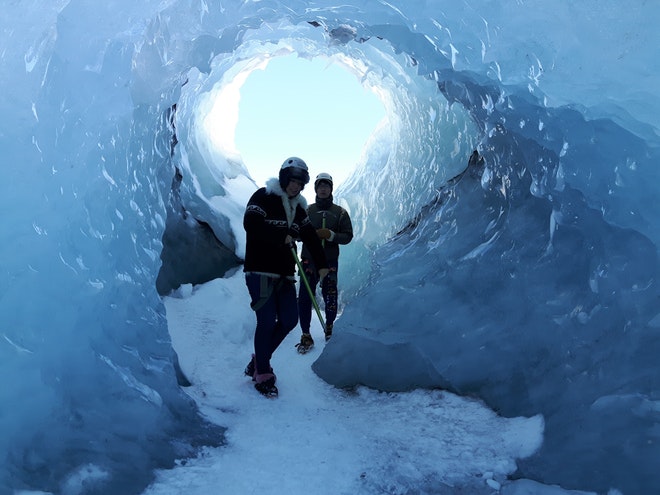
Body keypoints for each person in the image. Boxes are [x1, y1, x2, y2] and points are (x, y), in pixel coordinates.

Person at [242, 157, 329, 397]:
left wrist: (322, 265)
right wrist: (282, 235)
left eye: (300, 183)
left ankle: (259, 359)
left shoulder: (299, 209)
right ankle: (264, 373)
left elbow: (310, 235)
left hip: (285, 274)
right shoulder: (263, 196)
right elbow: (251, 223)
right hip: (259, 270)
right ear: (283, 178)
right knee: (267, 320)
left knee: (290, 320)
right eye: (292, 180)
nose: (295, 186)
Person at [296, 172, 353, 353]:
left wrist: (331, 235)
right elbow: (296, 232)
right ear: (315, 189)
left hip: (329, 261)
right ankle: (306, 333)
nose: (323, 189)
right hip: (309, 260)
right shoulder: (306, 211)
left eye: (326, 186)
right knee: (305, 298)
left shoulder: (340, 213)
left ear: (331, 189)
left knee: (330, 294)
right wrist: (307, 235)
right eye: (320, 186)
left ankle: (329, 327)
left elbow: (347, 236)